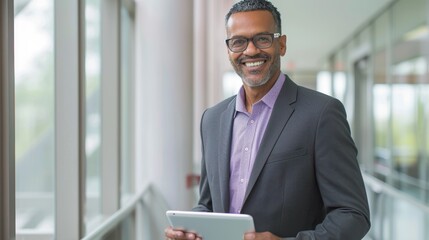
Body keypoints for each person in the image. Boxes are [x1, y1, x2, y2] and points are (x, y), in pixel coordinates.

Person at [165, 0, 370, 239]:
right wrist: (190, 230)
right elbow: (209, 204)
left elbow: (353, 215)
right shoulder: (212, 120)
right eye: (238, 42)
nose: (250, 51)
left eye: (262, 39)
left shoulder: (322, 113)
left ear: (281, 44)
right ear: (229, 50)